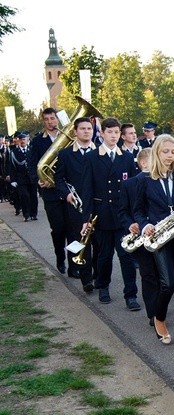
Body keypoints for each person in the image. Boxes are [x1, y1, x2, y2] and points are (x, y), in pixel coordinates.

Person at [135, 135, 174, 349]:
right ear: (156, 153)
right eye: (165, 152)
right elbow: (138, 210)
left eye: (173, 152)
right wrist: (144, 225)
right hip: (159, 236)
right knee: (168, 283)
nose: (169, 156)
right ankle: (159, 318)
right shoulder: (145, 179)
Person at [79, 117, 140, 306]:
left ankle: (131, 295)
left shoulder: (127, 157)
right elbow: (87, 190)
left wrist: (135, 215)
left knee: (127, 256)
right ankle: (103, 287)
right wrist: (86, 218)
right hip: (102, 214)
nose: (113, 136)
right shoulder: (92, 157)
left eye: (116, 133)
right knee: (104, 255)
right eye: (110, 132)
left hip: (123, 216)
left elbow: (133, 189)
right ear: (102, 133)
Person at [53, 117, 97, 289]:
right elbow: (59, 178)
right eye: (83, 128)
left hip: (97, 203)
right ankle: (86, 279)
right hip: (76, 204)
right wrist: (66, 194)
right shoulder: (65, 154)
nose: (86, 131)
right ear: (75, 132)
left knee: (100, 244)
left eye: (89, 128)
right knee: (81, 240)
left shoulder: (99, 152)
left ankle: (99, 276)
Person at [118, 148, 159, 326]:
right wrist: (130, 224)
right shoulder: (129, 184)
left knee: (163, 275)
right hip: (141, 237)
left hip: (161, 235)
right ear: (143, 163)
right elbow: (123, 212)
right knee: (148, 274)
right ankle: (153, 313)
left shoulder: (162, 180)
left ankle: (161, 307)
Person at [28, 108, 69, 274]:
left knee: (73, 230)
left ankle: (75, 266)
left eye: (53, 118)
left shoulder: (68, 137)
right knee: (58, 229)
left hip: (68, 190)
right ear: (43, 122)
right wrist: (38, 180)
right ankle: (60, 258)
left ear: (57, 120)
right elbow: (31, 165)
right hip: (51, 193)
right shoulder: (38, 141)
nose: (50, 122)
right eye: (47, 119)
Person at [10, 131, 37, 222]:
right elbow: (12, 167)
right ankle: (26, 214)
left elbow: (36, 164)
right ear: (18, 141)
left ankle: (34, 214)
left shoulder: (32, 150)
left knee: (33, 196)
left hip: (32, 177)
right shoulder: (14, 152)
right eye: (21, 140)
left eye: (24, 139)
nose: (22, 141)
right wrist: (13, 180)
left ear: (28, 140)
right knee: (24, 196)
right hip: (21, 179)